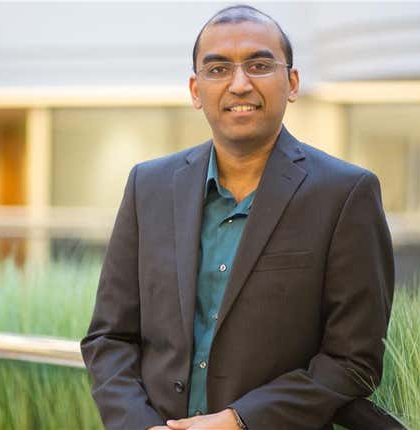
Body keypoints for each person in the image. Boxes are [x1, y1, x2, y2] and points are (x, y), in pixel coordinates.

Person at [81, 5, 394, 430]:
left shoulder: (345, 194)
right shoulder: (148, 187)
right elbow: (109, 338)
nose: (240, 84)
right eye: (218, 69)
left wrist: (239, 421)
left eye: (260, 65)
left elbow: (353, 360)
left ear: (293, 82)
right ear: (195, 90)